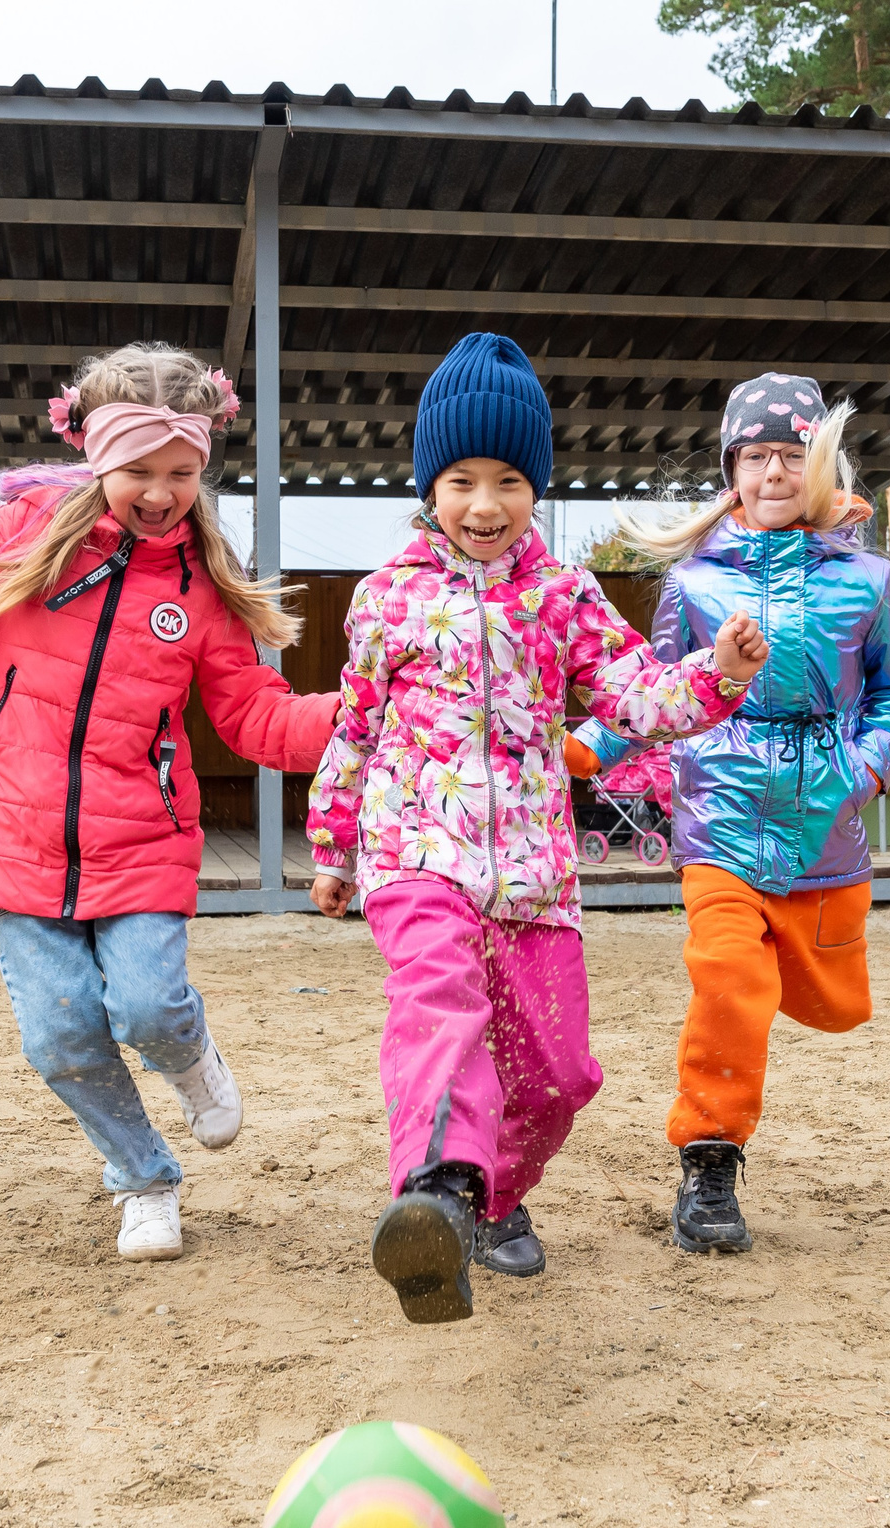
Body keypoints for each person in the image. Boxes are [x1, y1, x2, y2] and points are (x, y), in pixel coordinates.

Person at [0, 344, 337, 1261]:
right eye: (139, 470)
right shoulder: (30, 531)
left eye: (181, 473)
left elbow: (253, 714)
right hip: (15, 829)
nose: (160, 493)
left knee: (149, 1007)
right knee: (59, 1034)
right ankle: (144, 1178)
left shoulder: (200, 583)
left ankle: (190, 1055)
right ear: (96, 454)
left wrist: (357, 717)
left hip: (142, 836)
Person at [307, 331, 768, 1325]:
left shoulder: (564, 596)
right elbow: (354, 725)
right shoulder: (387, 598)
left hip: (532, 870)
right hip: (417, 851)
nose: (485, 504)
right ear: (429, 485)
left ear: (536, 488)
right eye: (462, 480)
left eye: (510, 481)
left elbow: (635, 693)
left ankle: (493, 1192)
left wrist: (719, 673)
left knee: (558, 1076)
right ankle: (437, 1188)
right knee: (441, 1007)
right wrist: (335, 842)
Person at [569, 373, 890, 1257]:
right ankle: (710, 1159)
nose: (773, 472)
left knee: (828, 1002)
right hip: (718, 818)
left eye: (791, 455)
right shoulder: (693, 583)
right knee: (729, 979)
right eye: (755, 455)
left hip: (823, 822)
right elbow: (651, 692)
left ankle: (720, 1129)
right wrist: (580, 751)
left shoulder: (870, 581)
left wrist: (863, 770)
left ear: (821, 465)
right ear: (731, 470)